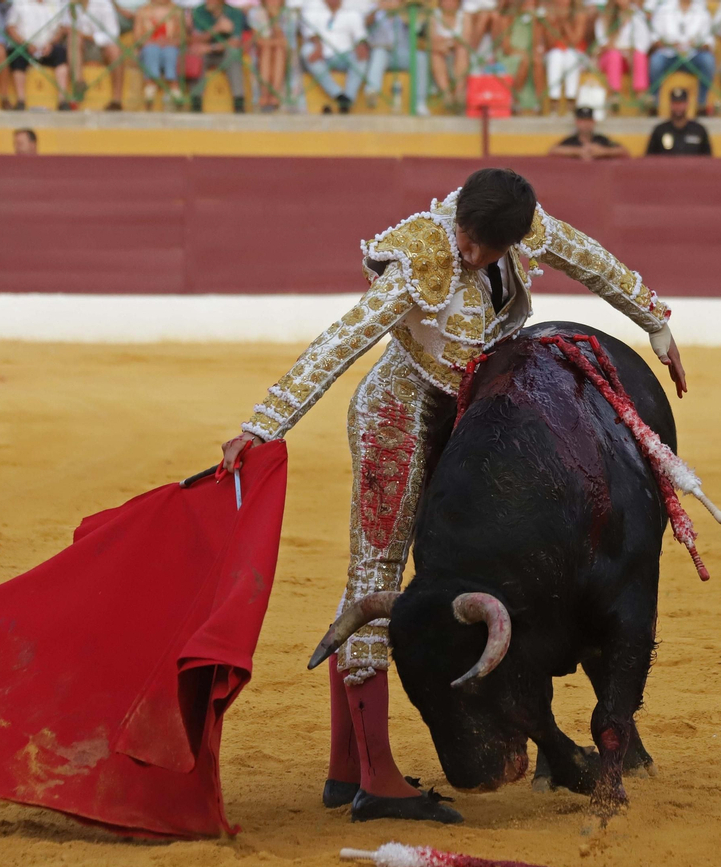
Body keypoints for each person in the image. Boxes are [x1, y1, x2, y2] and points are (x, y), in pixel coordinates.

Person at [217, 168, 686, 824]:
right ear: (457, 217)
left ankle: (345, 770)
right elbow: (339, 342)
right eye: (465, 238)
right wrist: (264, 424)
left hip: (473, 425)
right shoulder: (420, 256)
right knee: (375, 584)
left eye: (483, 248)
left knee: (443, 580)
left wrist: (656, 323)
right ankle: (372, 778)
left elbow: (588, 259)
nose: (468, 254)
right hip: (400, 417)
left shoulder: (524, 232)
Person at [302, 0, 373, 113]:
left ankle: (348, 98)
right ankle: (339, 95)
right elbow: (309, 31)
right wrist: (318, 45)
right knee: (307, 52)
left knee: (362, 57)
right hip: (321, 54)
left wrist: (361, 44)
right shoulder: (313, 6)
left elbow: (360, 35)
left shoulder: (351, 9)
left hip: (346, 53)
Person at [364, 0, 430, 114]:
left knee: (421, 58)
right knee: (379, 52)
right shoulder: (375, 13)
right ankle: (372, 90)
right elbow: (366, 23)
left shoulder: (405, 14)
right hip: (381, 55)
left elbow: (419, 28)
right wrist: (377, 9)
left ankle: (420, 103)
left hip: (401, 54)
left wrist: (402, 12)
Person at [649, 0, 716, 113]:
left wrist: (695, 44)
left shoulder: (702, 11)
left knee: (708, 61)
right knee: (655, 61)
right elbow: (655, 38)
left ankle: (701, 104)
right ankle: (653, 104)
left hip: (694, 55)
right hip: (669, 54)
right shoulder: (664, 9)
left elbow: (709, 41)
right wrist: (670, 44)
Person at [7, 0, 74, 110]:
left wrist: (51, 43)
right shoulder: (19, 3)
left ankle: (63, 101)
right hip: (25, 47)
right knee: (17, 56)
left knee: (61, 53)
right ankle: (20, 100)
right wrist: (26, 44)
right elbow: (10, 27)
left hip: (49, 46)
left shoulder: (56, 3)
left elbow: (62, 28)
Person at [71, 0, 127, 110]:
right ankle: (78, 83)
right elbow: (65, 28)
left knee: (116, 50)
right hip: (77, 48)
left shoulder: (103, 4)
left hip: (101, 46)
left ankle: (116, 100)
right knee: (74, 38)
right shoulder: (68, 5)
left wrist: (89, 37)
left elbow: (113, 34)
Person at [595, 0, 651, 106]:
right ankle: (614, 95)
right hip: (609, 57)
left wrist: (630, 51)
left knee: (639, 56)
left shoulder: (637, 15)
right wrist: (622, 50)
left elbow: (644, 41)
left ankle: (641, 94)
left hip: (629, 56)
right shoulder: (605, 17)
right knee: (614, 56)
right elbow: (603, 44)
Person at [542, 0, 590, 115]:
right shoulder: (549, 16)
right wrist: (555, 24)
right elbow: (550, 43)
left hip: (577, 53)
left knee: (571, 56)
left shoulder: (580, 15)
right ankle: (554, 101)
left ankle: (571, 101)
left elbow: (575, 41)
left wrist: (564, 23)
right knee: (556, 56)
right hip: (556, 52)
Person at [135, 0, 185, 109]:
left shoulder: (177, 11)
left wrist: (168, 42)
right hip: (149, 48)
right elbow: (137, 38)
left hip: (170, 47)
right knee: (152, 50)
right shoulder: (142, 11)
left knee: (170, 51)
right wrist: (154, 42)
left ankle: (173, 87)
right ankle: (150, 87)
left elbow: (182, 38)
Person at [499, 0, 547, 113]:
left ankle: (540, 104)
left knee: (537, 61)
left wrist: (534, 22)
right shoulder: (508, 19)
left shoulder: (535, 22)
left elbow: (535, 45)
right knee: (526, 60)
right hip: (510, 56)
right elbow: (506, 47)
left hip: (527, 55)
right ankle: (514, 100)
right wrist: (523, 53)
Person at [646, 85, 712, 153]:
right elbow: (649, 160)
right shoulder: (659, 131)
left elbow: (708, 160)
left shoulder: (699, 130)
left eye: (681, 103)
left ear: (687, 104)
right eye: (675, 103)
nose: (678, 107)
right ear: (670, 104)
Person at [431, 0, 472, 110]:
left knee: (462, 51)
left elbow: (465, 40)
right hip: (441, 52)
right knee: (435, 53)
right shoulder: (433, 15)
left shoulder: (464, 16)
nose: (449, 3)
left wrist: (447, 43)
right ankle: (446, 94)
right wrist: (450, 43)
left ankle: (459, 92)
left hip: (458, 53)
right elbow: (432, 40)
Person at [549, 105, 630, 158]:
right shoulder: (571, 141)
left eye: (588, 121)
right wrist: (578, 151)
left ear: (593, 122)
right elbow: (553, 151)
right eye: (582, 121)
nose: (585, 124)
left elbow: (624, 151)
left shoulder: (601, 140)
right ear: (577, 122)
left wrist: (603, 151)